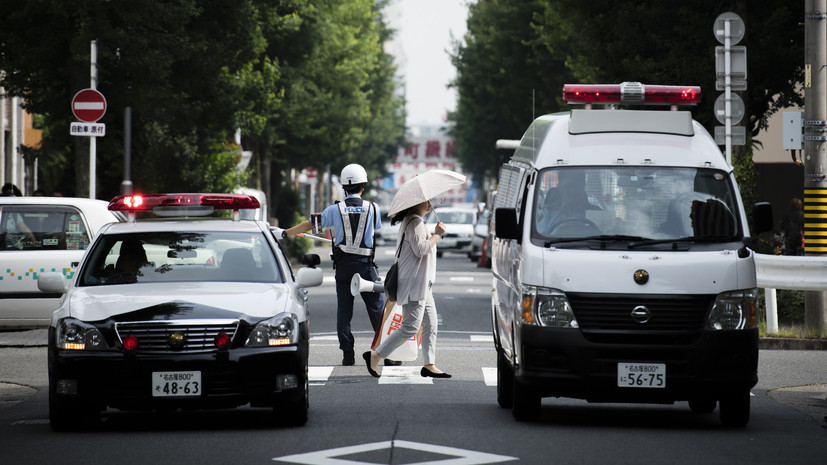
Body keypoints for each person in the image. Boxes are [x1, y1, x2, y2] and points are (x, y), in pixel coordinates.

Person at [275, 164, 388, 366]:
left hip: (344, 267)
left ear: (344, 187)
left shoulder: (334, 210)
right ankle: (384, 352)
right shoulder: (373, 208)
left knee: (344, 311)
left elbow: (310, 224)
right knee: (376, 308)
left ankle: (347, 354)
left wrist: (285, 233)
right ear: (363, 185)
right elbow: (375, 228)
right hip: (366, 267)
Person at [362, 198, 451, 379]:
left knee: (431, 323)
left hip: (422, 283)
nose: (429, 204)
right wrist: (437, 234)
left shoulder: (413, 221)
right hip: (414, 284)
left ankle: (429, 364)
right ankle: (376, 354)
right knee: (410, 327)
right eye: (425, 201)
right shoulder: (415, 222)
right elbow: (421, 249)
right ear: (415, 203)